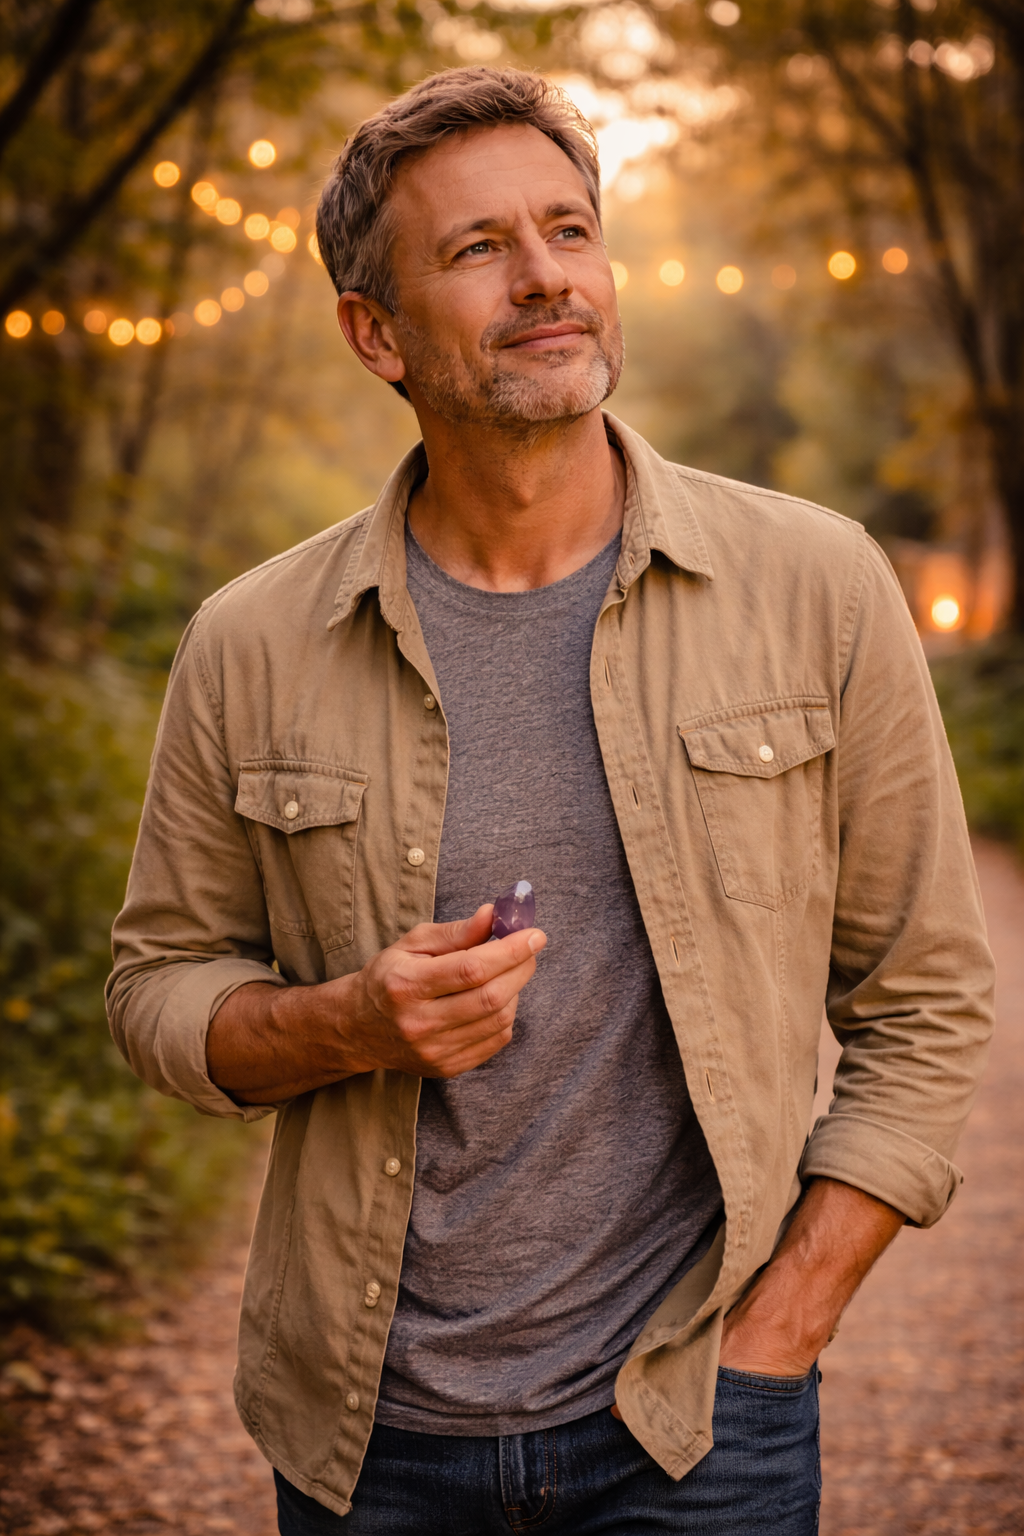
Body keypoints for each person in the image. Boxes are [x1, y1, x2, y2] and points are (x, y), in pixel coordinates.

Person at [107, 66, 995, 1536]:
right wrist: (350, 1022)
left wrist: (780, 1340)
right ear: (373, 333)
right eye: (476, 251)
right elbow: (157, 992)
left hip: (701, 1432)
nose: (544, 281)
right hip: (368, 1442)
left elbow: (930, 998)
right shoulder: (250, 641)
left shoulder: (817, 586)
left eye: (570, 232)